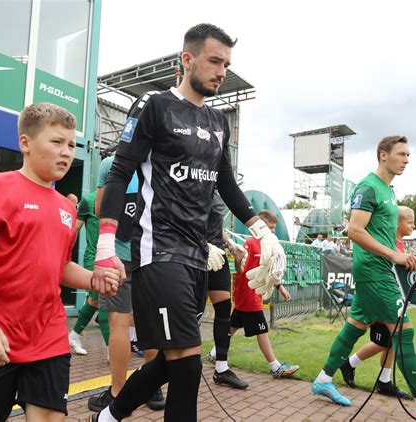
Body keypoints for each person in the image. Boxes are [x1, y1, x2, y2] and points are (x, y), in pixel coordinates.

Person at [88, 23, 285, 422]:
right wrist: (107, 247)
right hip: (157, 251)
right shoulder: (153, 105)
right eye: (214, 61)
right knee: (189, 365)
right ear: (187, 59)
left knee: (173, 361)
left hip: (199, 256)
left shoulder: (218, 122)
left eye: (227, 64)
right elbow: (120, 170)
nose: (221, 70)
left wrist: (261, 231)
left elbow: (225, 183)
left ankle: (106, 417)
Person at [0, 103, 120, 421]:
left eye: (71, 145)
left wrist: (93, 279)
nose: (66, 152)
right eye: (56, 142)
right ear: (26, 143)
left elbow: (59, 266)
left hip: (49, 337)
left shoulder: (66, 208)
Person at [311, 136, 416, 420]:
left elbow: (381, 232)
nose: (407, 159)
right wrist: (394, 256)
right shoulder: (368, 187)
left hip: (379, 270)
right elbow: (354, 231)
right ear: (383, 155)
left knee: (353, 328)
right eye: (401, 154)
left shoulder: (388, 190)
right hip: (374, 271)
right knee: (404, 333)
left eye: (409, 155)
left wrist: (399, 256)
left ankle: (323, 380)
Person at [87, 155, 165, 414]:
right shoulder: (164, 159)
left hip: (118, 250)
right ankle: (152, 388)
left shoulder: (111, 163)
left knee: (118, 321)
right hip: (152, 251)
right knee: (152, 320)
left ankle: (118, 391)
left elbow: (101, 209)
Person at [339, 206, 416, 398]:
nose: (413, 226)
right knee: (383, 341)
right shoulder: (389, 246)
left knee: (389, 342)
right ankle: (350, 364)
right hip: (383, 301)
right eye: (410, 222)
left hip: (393, 301)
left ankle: (384, 381)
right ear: (397, 224)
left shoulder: (399, 246)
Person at [230, 210, 299, 378]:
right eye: (270, 227)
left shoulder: (270, 245)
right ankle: (275, 367)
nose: (273, 231)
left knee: (231, 327)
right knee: (262, 330)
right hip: (248, 295)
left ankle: (215, 353)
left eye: (274, 228)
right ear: (260, 226)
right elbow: (241, 271)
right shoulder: (250, 243)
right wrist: (238, 260)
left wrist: (280, 287)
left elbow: (271, 271)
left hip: (254, 294)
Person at [205, 190, 248, 389]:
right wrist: (201, 246)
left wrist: (231, 244)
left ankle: (221, 368)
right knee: (190, 315)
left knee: (223, 310)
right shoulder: (194, 181)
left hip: (217, 254)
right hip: (193, 253)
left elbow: (215, 226)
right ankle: (163, 368)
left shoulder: (218, 192)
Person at [68, 191, 110, 356]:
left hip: (111, 257)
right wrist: (66, 255)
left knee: (94, 301)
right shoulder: (89, 200)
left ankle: (74, 335)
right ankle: (111, 350)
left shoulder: (118, 198)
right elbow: (75, 229)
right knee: (104, 300)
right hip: (93, 259)